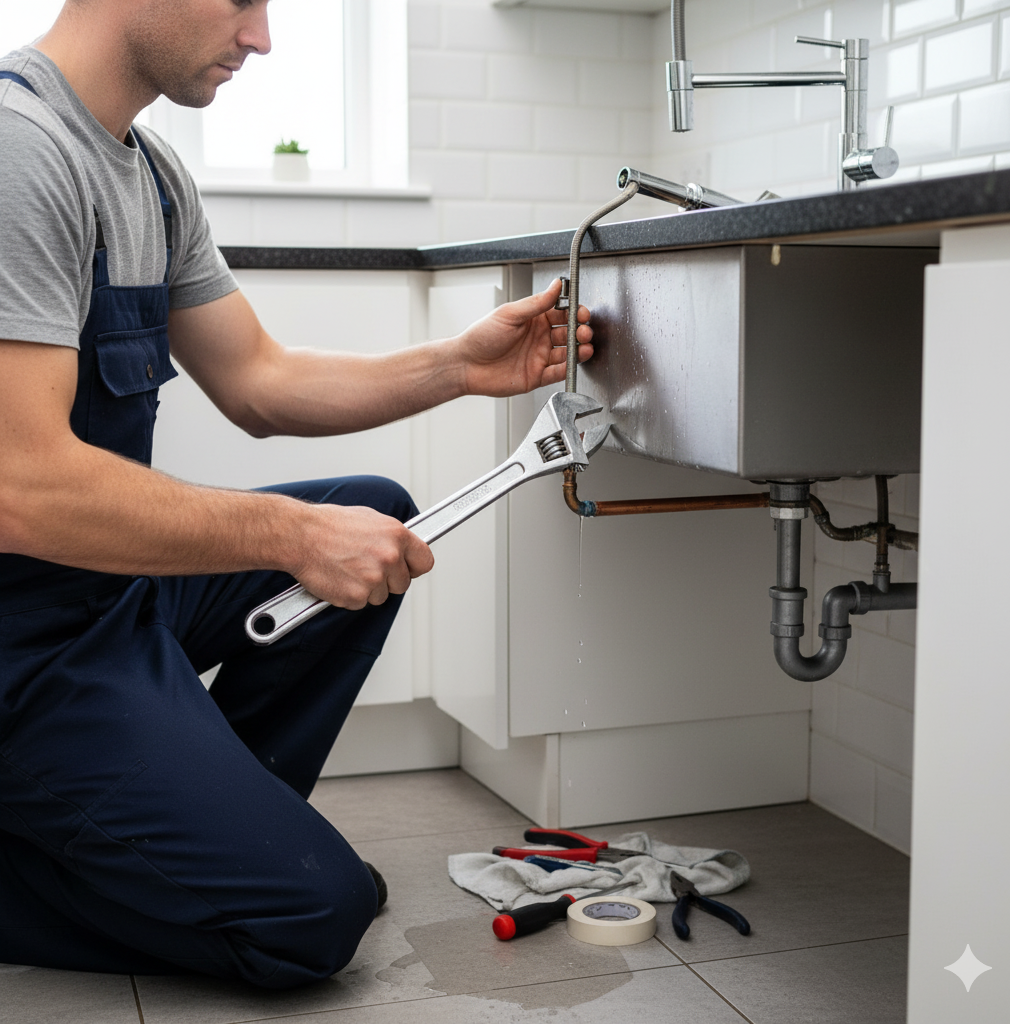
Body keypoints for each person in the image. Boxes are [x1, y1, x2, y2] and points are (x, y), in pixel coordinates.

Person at [0, 0, 593, 989]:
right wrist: (291, 530)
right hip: (21, 640)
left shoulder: (151, 176)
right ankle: (207, 874)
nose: (261, 36)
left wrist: (458, 365)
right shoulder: (20, 151)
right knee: (309, 920)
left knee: (375, 511)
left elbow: (259, 382)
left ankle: (202, 836)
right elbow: (20, 488)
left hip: (104, 597)